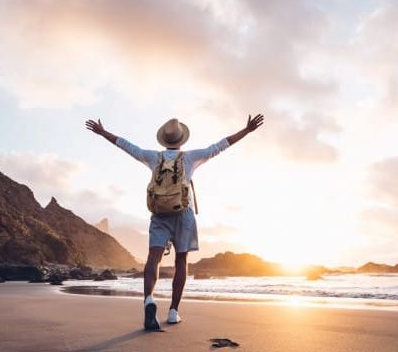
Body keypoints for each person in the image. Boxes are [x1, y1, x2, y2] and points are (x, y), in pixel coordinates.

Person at [85, 113, 264, 330]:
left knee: (154, 258)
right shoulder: (190, 158)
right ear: (181, 140)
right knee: (181, 260)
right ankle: (173, 312)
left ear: (164, 140)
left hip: (159, 213)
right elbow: (220, 146)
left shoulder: (153, 157)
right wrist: (246, 131)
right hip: (183, 213)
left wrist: (103, 132)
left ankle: (149, 300)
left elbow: (127, 146)